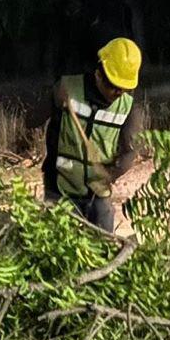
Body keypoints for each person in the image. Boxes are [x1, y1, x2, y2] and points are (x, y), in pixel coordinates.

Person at [43, 37, 143, 233]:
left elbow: (130, 152)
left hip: (98, 195)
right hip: (60, 188)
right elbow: (30, 121)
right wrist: (53, 96)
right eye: (113, 86)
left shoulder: (128, 108)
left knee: (104, 244)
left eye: (123, 89)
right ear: (98, 75)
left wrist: (111, 175)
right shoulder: (67, 88)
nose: (118, 93)